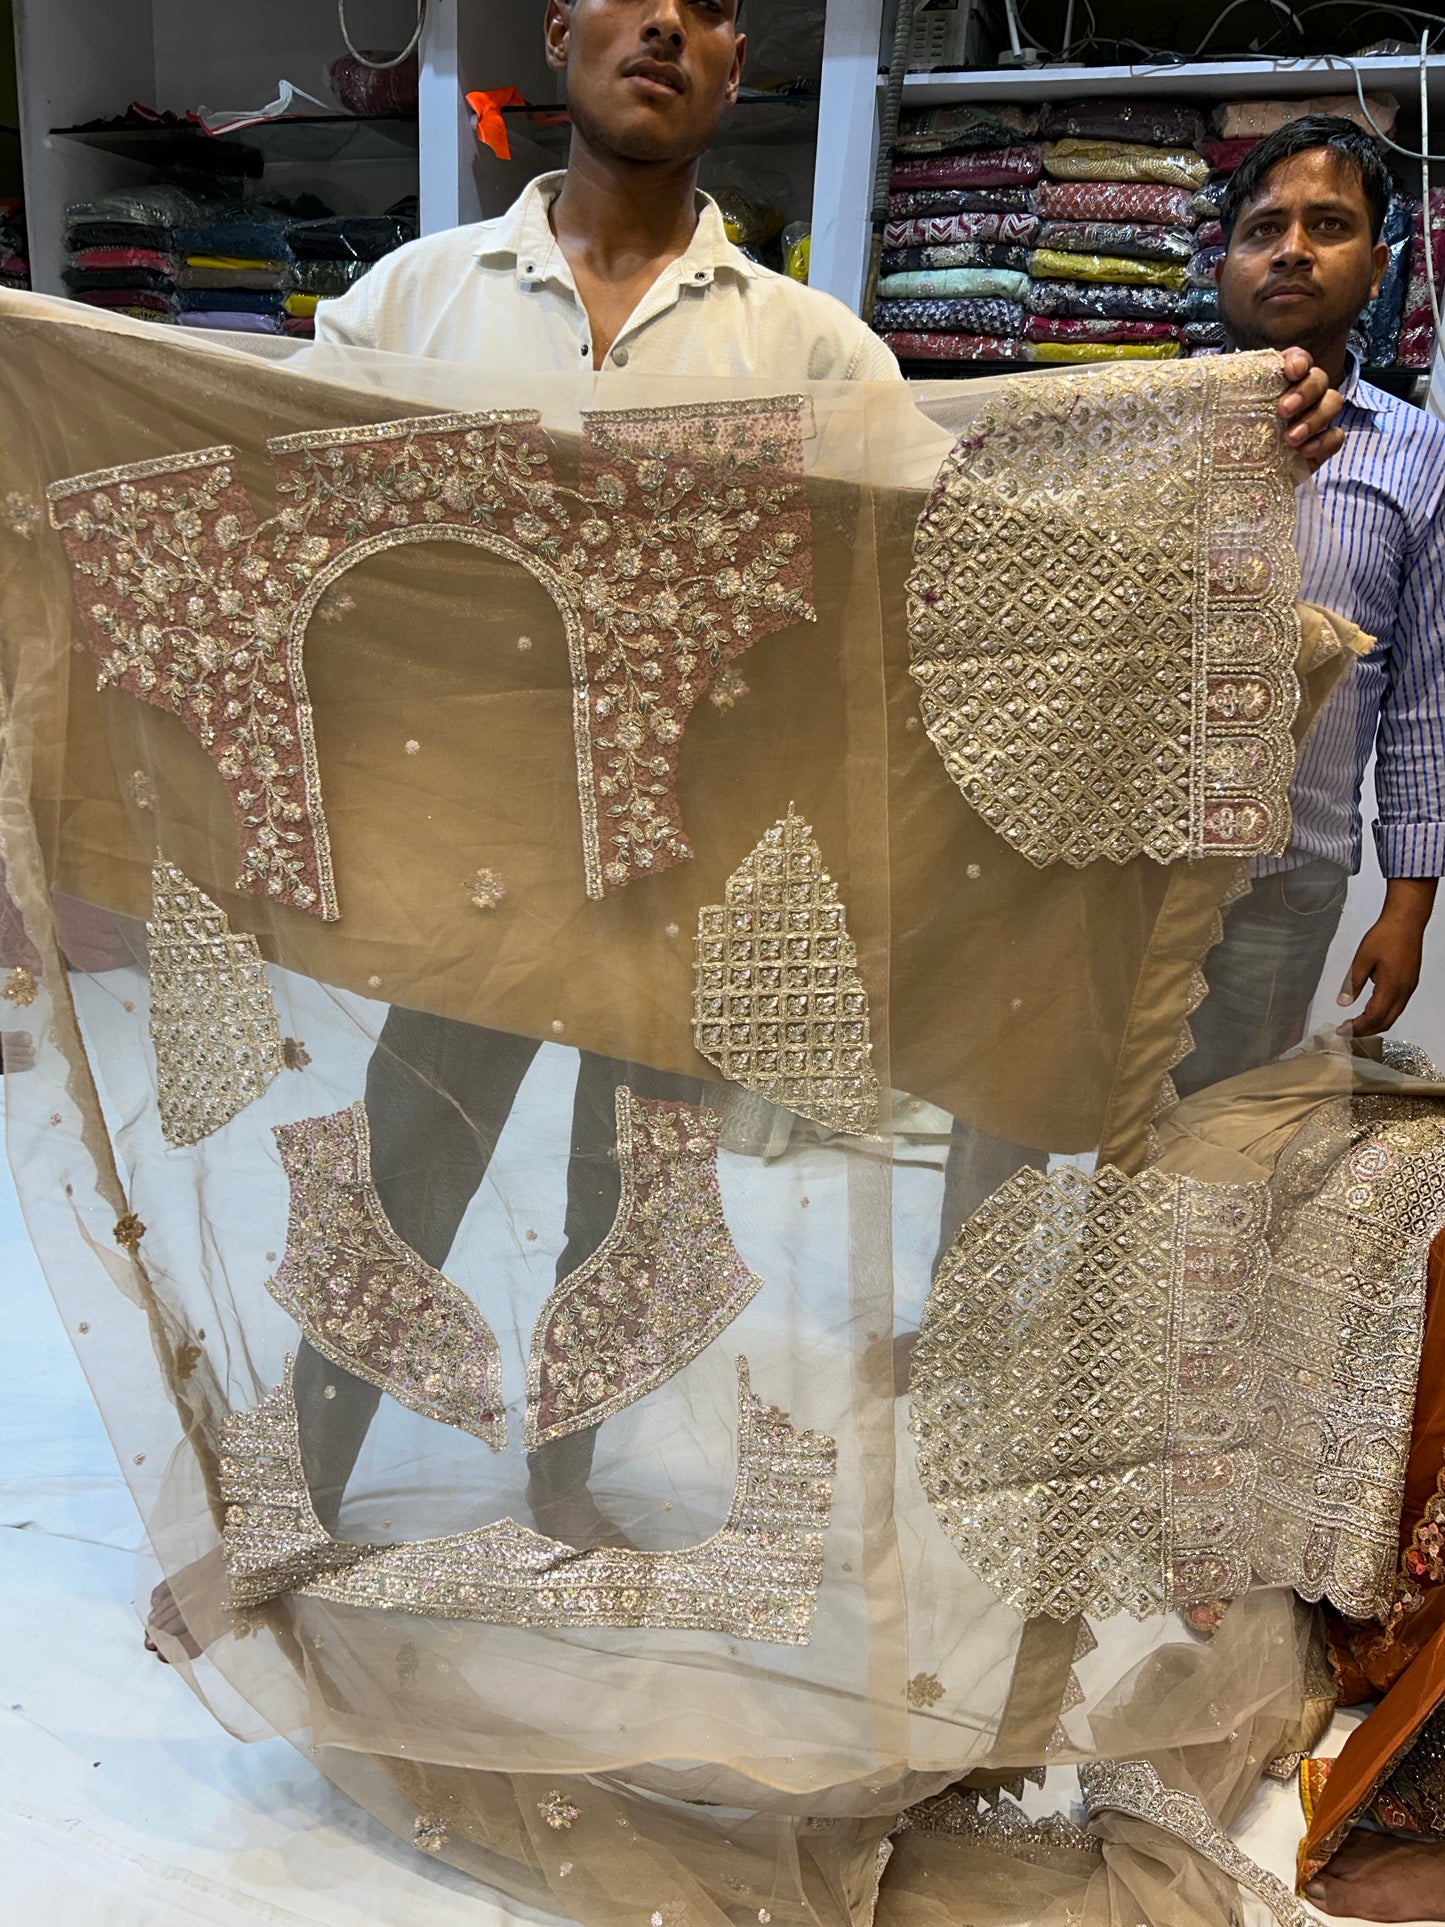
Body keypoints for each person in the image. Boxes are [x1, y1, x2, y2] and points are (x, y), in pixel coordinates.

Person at [144, 0, 1346, 1638]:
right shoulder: (413, 304)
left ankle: (567, 1475)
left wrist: (1209, 442)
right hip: (479, 864)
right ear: (557, 33)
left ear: (736, 66)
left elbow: (973, 539)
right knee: (405, 1174)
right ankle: (296, 1498)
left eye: (711, 7)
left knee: (631, 1191)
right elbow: (247, 472)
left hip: (693, 876)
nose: (666, 25)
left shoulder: (803, 352)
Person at [1177, 116, 1445, 1097]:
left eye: (1325, 225)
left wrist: (1406, 907)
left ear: (1376, 267)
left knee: (1217, 1144)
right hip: (1100, 867)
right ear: (1224, 263)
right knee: (1026, 1133)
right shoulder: (1130, 425)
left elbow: (1419, 701)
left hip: (1280, 884)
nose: (1289, 248)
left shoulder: (1418, 456)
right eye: (1263, 227)